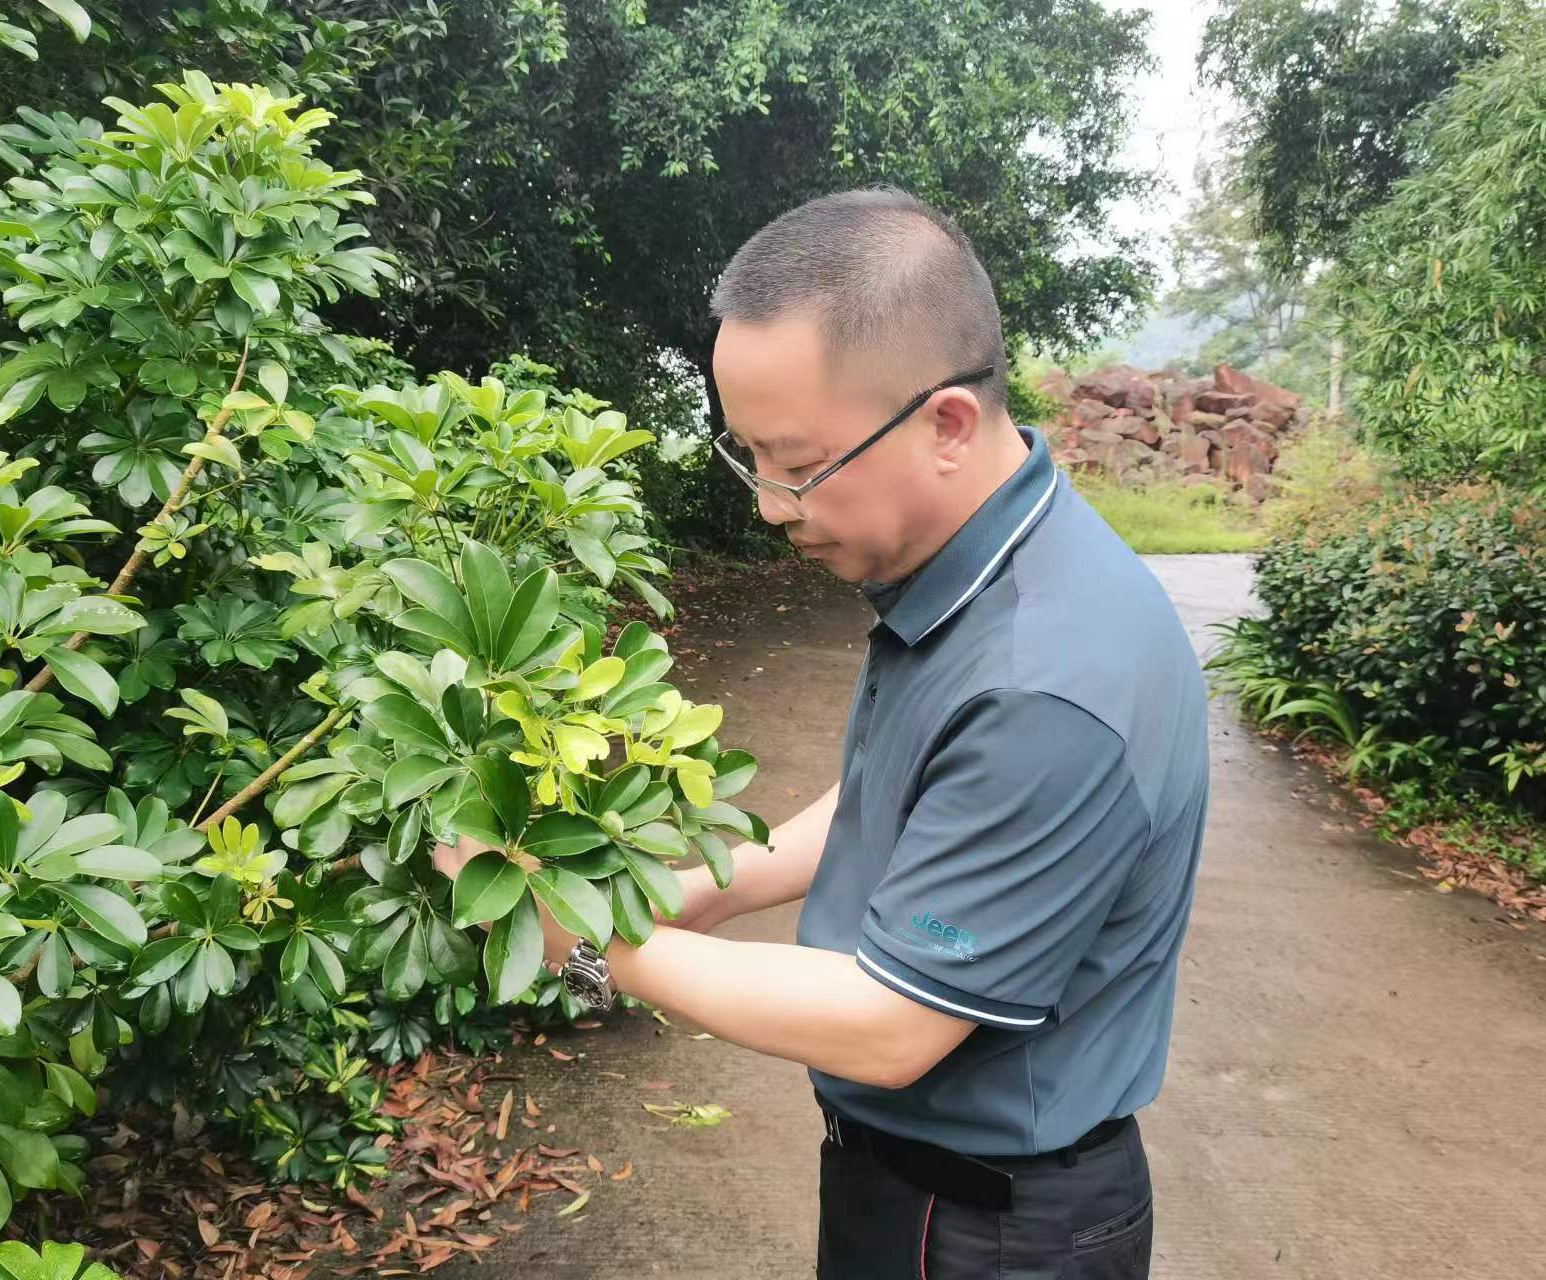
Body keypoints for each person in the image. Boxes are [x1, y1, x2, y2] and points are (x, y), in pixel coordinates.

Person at [436, 188, 1209, 1279]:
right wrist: (690, 886)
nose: (767, 504)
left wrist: (587, 938)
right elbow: (896, 795)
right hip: (915, 1187)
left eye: (798, 463)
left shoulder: (1048, 679)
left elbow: (890, 1022)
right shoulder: (980, 573)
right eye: (746, 455)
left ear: (943, 422)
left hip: (991, 1231)